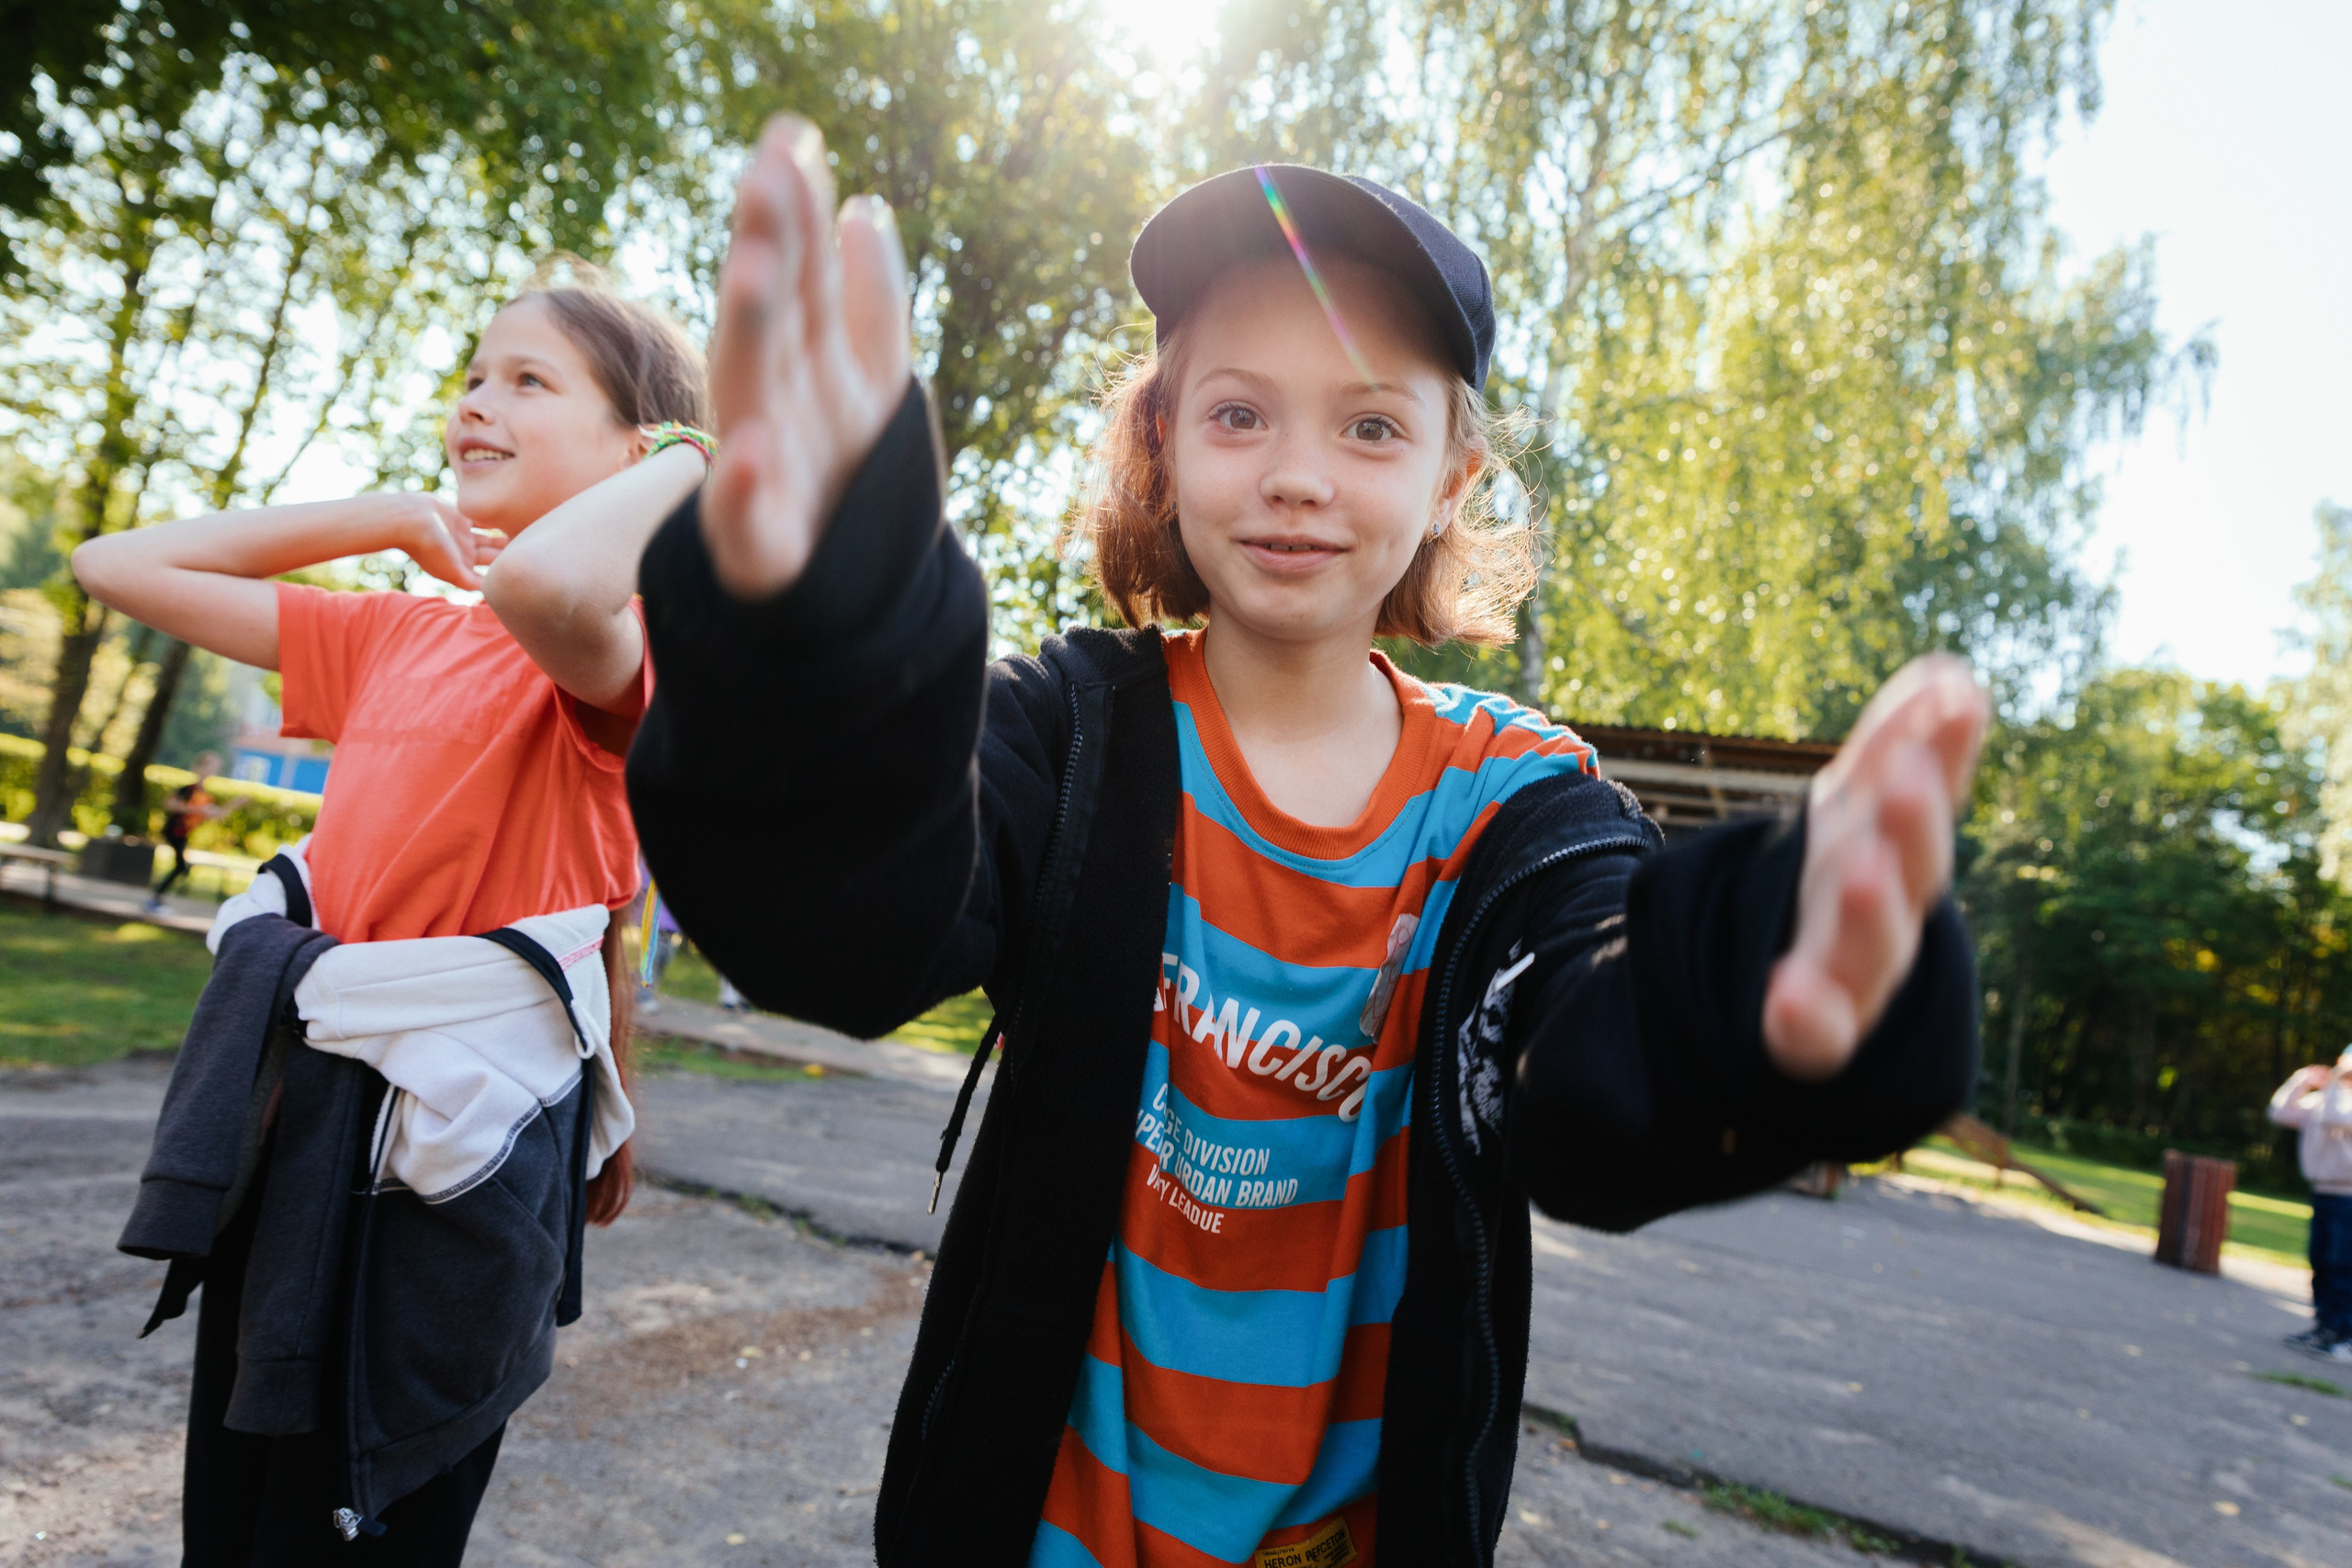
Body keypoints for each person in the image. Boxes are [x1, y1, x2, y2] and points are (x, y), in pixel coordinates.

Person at [629, 123, 1986, 1568]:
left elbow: (1589, 1041)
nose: (1296, 474)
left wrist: (1747, 999)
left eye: (1370, 426)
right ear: (1161, 435)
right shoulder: (1072, 735)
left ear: (1455, 474)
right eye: (1237, 414)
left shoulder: (1512, 806)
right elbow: (856, 910)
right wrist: (807, 646)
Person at [74, 269, 711, 1564]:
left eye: (529, 380)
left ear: (632, 454)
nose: (477, 402)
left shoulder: (618, 650)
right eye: (473, 375)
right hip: (292, 1150)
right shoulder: (393, 636)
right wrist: (392, 518)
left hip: (447, 1188)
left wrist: (695, 463)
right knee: (234, 1531)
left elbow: (544, 585)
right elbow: (116, 563)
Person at [2269, 1048, 2352, 1360]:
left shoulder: (2337, 1103)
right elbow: (2279, 1112)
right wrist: (2299, 1082)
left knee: (2344, 1267)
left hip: (2349, 1197)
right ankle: (2325, 1327)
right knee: (2322, 1263)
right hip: (2324, 1191)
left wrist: (2334, 1084)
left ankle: (2345, 1334)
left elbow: (2334, 1117)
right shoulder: (2326, 1100)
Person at [147, 749, 228, 909]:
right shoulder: (189, 790)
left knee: (181, 867)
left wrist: (236, 804)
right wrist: (198, 810)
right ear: (199, 767)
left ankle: (157, 895)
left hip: (184, 834)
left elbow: (216, 814)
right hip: (174, 831)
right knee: (180, 866)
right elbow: (170, 804)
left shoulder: (205, 794)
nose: (211, 772)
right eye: (209, 767)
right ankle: (155, 897)